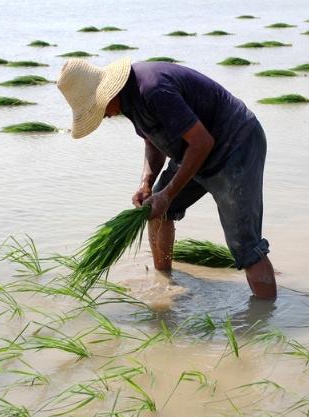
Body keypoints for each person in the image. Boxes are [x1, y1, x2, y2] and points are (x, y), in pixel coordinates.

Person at [57, 57, 276, 300]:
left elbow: (202, 143)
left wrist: (168, 194)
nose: (103, 116)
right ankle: (164, 280)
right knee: (157, 211)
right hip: (194, 151)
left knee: (245, 245)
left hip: (235, 146)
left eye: (98, 108)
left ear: (107, 93)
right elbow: (153, 140)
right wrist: (147, 183)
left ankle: (265, 320)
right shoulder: (128, 99)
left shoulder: (153, 89)